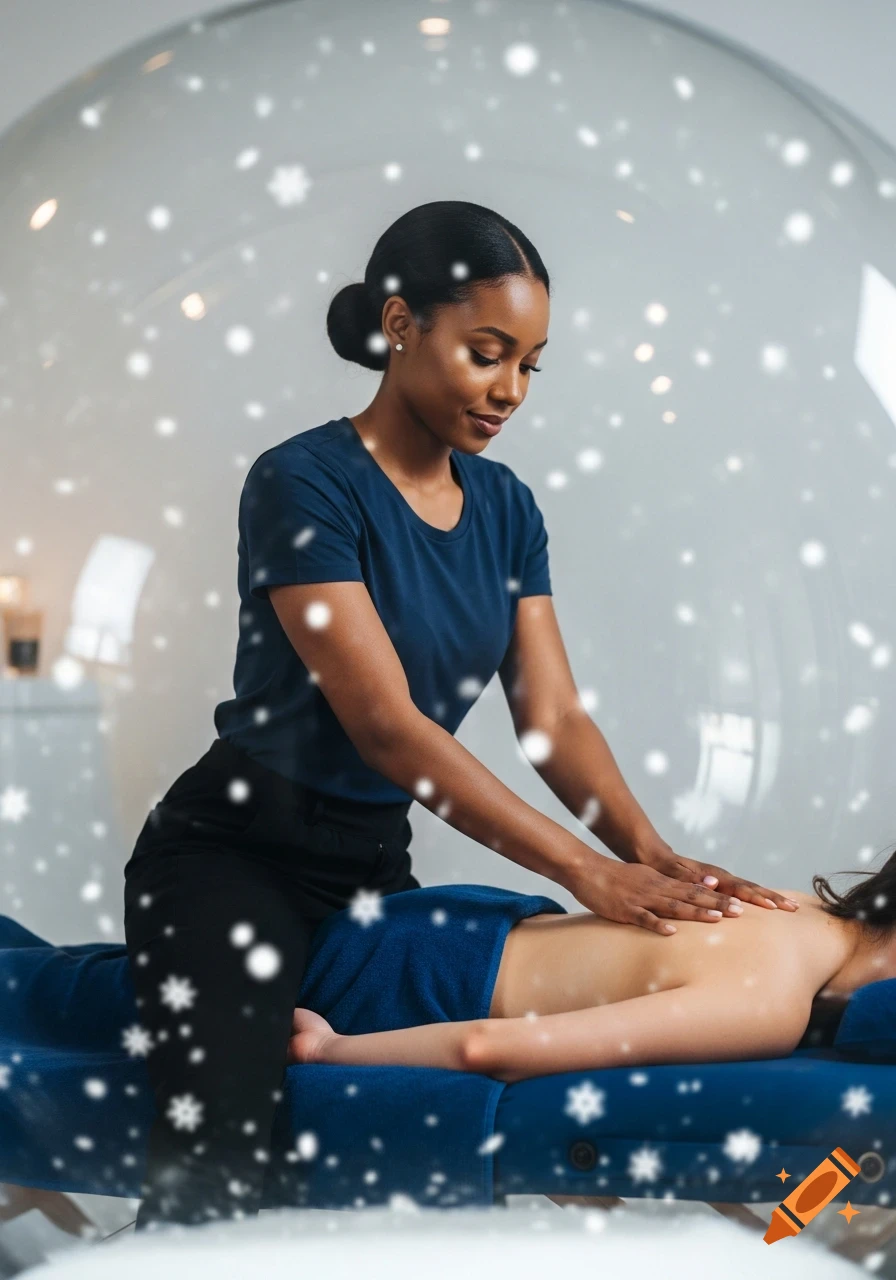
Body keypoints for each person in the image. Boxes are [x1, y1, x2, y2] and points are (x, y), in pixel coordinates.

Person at [123, 199, 797, 1232]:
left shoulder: (507, 507)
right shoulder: (302, 480)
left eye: (530, 364)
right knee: (222, 1159)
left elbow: (554, 718)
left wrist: (652, 859)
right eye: (488, 354)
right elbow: (385, 725)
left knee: (421, 1128)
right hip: (234, 852)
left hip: (368, 865)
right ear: (400, 326)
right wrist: (581, 870)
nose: (511, 390)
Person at [286, 849, 896, 1084]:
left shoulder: (796, 906)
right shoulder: (768, 1005)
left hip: (446, 918)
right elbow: (485, 1049)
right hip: (403, 985)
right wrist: (327, 1051)